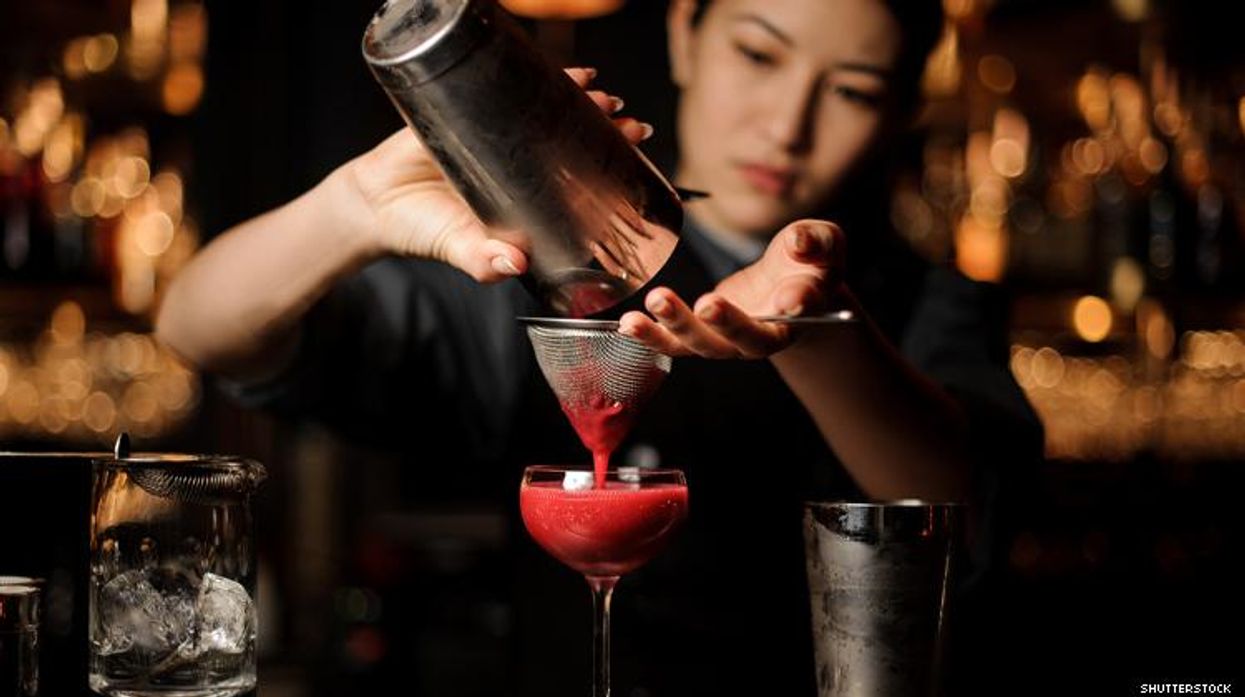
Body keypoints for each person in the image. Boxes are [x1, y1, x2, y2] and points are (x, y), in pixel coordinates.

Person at [156, 0, 1043, 694]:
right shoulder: (552, 261)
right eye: (757, 55)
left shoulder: (927, 302)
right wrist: (353, 207)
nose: (786, 124)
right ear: (685, 33)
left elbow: (964, 508)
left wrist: (811, 328)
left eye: (852, 89)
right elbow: (200, 328)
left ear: (900, 110)